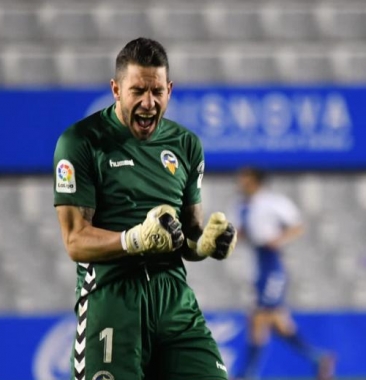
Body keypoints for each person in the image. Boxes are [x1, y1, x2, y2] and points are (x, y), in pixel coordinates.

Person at [54, 37, 238, 380]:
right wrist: (134, 239)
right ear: (116, 89)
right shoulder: (81, 142)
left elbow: (188, 235)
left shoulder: (186, 145)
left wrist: (206, 244)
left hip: (174, 303)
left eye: (157, 91)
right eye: (137, 91)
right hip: (111, 300)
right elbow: (75, 240)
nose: (148, 103)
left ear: (169, 89)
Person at [234, 167, 335, 380]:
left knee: (259, 318)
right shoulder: (241, 205)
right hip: (257, 264)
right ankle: (319, 358)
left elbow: (297, 226)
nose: (240, 181)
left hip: (272, 265)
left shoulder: (272, 202)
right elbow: (243, 233)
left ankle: (247, 374)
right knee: (279, 324)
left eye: (244, 177)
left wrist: (278, 239)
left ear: (255, 180)